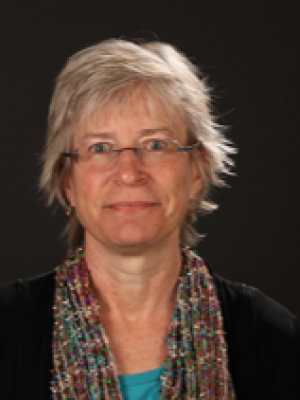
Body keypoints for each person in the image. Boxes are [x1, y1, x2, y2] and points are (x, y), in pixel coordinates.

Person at [0, 39, 299, 400]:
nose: (128, 172)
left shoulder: (272, 339)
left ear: (197, 172)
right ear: (68, 182)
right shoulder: (7, 329)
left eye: (156, 144)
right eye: (100, 148)